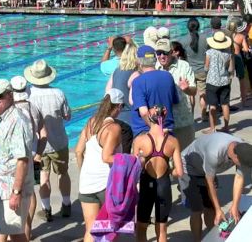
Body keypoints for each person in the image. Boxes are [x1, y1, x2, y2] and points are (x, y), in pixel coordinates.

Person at [0, 79, 34, 242]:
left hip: (10, 189)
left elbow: (22, 160)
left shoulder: (17, 120)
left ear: (10, 95)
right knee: (4, 229)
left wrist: (16, 193)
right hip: (0, 187)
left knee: (15, 233)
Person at [178, 133, 252, 242]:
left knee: (210, 207)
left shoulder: (244, 151)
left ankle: (211, 238)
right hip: (189, 166)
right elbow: (210, 183)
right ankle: (197, 240)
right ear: (235, 157)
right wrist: (218, 209)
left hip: (206, 168)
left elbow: (239, 178)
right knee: (197, 209)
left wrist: (235, 206)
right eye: (242, 164)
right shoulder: (215, 153)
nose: (243, 167)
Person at [24, 59, 72, 222]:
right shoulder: (59, 93)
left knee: (44, 175)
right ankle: (66, 205)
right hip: (59, 142)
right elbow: (68, 116)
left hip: (39, 146)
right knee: (63, 173)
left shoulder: (29, 95)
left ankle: (46, 210)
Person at [75, 88, 124, 242]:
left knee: (91, 229)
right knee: (109, 229)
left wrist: (84, 171)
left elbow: (78, 151)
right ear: (118, 107)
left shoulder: (91, 122)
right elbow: (107, 157)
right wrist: (129, 159)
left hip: (86, 183)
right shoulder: (113, 128)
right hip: (106, 184)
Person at [133, 105, 183, 242]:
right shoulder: (173, 142)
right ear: (165, 116)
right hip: (164, 185)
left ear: (149, 117)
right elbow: (179, 172)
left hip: (146, 185)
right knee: (162, 230)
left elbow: (134, 170)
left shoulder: (140, 140)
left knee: (141, 227)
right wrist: (168, 170)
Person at [10, 75, 48, 240]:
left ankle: (15, 232)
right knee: (30, 193)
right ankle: (27, 229)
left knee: (14, 194)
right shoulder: (34, 108)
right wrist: (38, 153)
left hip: (15, 161)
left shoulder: (10, 110)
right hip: (32, 157)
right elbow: (44, 134)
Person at [155, 37, 196, 150]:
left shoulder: (183, 66)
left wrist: (186, 89)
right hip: (163, 123)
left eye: (165, 53)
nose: (162, 56)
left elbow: (194, 90)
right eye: (159, 53)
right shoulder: (155, 68)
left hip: (183, 121)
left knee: (187, 156)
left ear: (172, 52)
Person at [130, 45, 179, 137]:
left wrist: (156, 130)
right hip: (167, 128)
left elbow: (144, 112)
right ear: (155, 59)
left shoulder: (138, 81)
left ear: (139, 61)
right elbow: (173, 102)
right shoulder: (168, 76)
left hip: (146, 131)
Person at [203, 31, 233, 133]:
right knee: (225, 104)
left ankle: (212, 128)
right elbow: (230, 69)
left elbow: (206, 68)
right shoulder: (228, 53)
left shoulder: (209, 52)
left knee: (212, 105)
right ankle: (226, 127)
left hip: (212, 81)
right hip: (224, 81)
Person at [179, 18, 209, 121]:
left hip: (189, 71)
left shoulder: (183, 40)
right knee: (203, 94)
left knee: (191, 95)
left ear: (188, 27)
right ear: (198, 26)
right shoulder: (205, 38)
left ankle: (191, 117)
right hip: (202, 71)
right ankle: (204, 115)